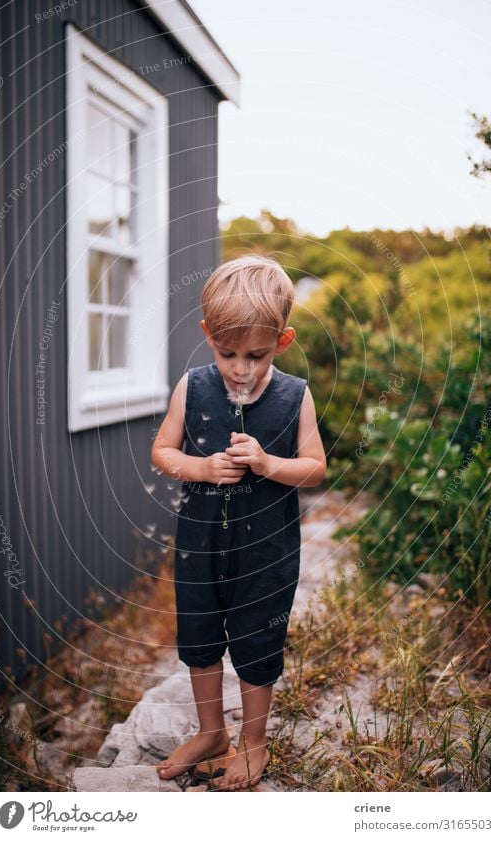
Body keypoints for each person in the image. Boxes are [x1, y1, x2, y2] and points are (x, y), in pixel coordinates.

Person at [150, 255, 326, 791]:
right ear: (208, 336)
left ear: (283, 340)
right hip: (200, 544)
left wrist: (270, 463)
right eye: (227, 353)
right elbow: (162, 451)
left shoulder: (294, 396)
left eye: (257, 354)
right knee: (200, 637)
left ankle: (252, 740)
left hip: (267, 552)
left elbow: (316, 468)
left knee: (256, 641)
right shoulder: (193, 387)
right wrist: (201, 467)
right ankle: (210, 733)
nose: (241, 368)